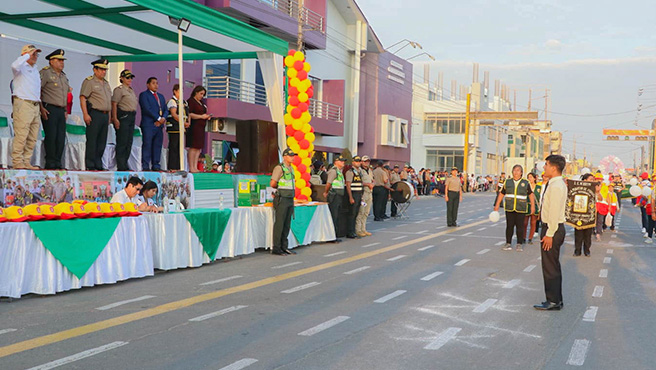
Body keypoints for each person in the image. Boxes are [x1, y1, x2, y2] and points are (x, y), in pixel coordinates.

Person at [534, 154, 567, 311]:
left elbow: (554, 212)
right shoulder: (554, 184)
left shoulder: (556, 186)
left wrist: (549, 233)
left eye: (546, 165)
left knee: (549, 266)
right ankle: (556, 299)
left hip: (552, 228)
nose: (544, 167)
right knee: (552, 264)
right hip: (551, 227)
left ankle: (553, 300)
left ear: (554, 168)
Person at [11, 44, 42, 170]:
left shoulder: (35, 69)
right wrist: (26, 56)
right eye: (33, 54)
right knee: (21, 134)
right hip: (23, 104)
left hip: (35, 105)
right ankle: (17, 161)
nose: (35, 56)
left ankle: (26, 161)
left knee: (32, 136)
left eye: (36, 54)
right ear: (25, 54)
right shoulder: (20, 67)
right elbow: (14, 65)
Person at [494, 164, 536, 252]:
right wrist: (497, 204)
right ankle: (508, 243)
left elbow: (531, 195)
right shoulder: (507, 181)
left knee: (520, 227)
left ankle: (519, 244)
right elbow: (502, 193)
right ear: (512, 172)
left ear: (521, 173)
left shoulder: (525, 182)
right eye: (514, 170)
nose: (516, 172)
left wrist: (532, 206)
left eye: (518, 170)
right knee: (509, 226)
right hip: (509, 207)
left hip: (521, 208)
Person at [80, 59, 112, 171]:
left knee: (102, 141)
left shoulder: (106, 84)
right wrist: (85, 114)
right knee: (92, 140)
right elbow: (83, 97)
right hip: (95, 113)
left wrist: (109, 116)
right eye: (101, 69)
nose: (104, 72)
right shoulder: (90, 82)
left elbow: (109, 101)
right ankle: (90, 164)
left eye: (105, 70)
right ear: (95, 69)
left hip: (105, 114)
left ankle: (98, 163)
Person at [40, 49, 69, 170]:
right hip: (49, 108)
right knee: (51, 136)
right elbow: (38, 90)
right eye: (59, 60)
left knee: (60, 137)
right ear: (51, 61)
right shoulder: (46, 73)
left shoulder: (63, 76)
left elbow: (65, 94)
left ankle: (57, 161)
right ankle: (50, 162)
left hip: (61, 110)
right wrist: (41, 108)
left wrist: (65, 109)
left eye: (63, 60)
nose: (62, 63)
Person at [270, 148, 297, 256]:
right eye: (290, 155)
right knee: (280, 223)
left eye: (293, 155)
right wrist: (280, 188)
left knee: (287, 224)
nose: (292, 157)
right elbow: (272, 183)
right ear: (284, 156)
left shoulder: (291, 168)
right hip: (282, 198)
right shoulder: (279, 168)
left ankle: (284, 246)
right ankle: (276, 247)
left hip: (290, 198)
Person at [138, 77, 168, 171]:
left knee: (157, 145)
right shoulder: (144, 95)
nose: (156, 85)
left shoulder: (161, 96)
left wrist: (163, 118)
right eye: (153, 83)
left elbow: (165, 109)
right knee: (147, 144)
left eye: (157, 83)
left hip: (159, 125)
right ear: (148, 85)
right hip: (149, 124)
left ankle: (156, 165)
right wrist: (158, 118)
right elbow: (147, 109)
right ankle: (146, 165)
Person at [111, 69, 138, 171]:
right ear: (122, 78)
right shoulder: (119, 90)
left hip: (131, 116)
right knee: (122, 141)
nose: (129, 79)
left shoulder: (131, 90)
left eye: (130, 77)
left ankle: (125, 163)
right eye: (127, 77)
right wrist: (115, 118)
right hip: (123, 116)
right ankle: (121, 165)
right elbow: (114, 104)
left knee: (128, 141)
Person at [187, 86, 211, 173]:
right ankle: (191, 166)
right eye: (201, 94)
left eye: (203, 94)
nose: (202, 96)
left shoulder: (201, 103)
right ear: (196, 92)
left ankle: (195, 166)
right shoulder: (191, 101)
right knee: (193, 147)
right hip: (194, 126)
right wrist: (201, 116)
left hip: (201, 127)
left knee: (198, 148)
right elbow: (190, 114)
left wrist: (206, 117)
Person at [166, 84, 189, 171]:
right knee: (173, 147)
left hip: (181, 128)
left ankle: (179, 166)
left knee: (180, 148)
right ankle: (172, 166)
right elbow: (174, 114)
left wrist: (187, 122)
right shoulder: (172, 101)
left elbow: (187, 113)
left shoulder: (184, 102)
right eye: (179, 91)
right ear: (175, 91)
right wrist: (182, 122)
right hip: (174, 127)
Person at [324, 156, 346, 241]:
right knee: (334, 215)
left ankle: (335, 235)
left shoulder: (339, 171)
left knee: (337, 216)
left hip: (339, 195)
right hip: (334, 195)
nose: (343, 162)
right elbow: (328, 183)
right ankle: (331, 236)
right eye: (341, 161)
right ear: (336, 162)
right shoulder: (333, 171)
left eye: (343, 161)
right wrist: (326, 192)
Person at [574, 173, 596, 256]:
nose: (592, 181)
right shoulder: (577, 188)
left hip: (589, 215)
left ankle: (587, 250)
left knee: (588, 234)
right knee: (578, 234)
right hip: (578, 214)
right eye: (590, 179)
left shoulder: (594, 188)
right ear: (585, 180)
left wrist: (597, 192)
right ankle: (577, 250)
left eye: (593, 179)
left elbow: (600, 198)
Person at [345, 156, 363, 239]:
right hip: (353, 194)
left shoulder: (359, 172)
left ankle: (353, 231)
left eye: (359, 161)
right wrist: (350, 197)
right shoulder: (350, 172)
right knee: (352, 214)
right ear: (353, 162)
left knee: (356, 213)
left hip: (359, 194)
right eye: (356, 161)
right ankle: (350, 231)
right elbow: (348, 185)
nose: (358, 162)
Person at [356, 155, 374, 237]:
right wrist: (367, 184)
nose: (367, 163)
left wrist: (372, 183)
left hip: (369, 193)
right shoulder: (359, 171)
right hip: (363, 193)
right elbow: (358, 182)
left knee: (366, 212)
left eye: (368, 161)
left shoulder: (369, 170)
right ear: (362, 162)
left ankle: (363, 229)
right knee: (361, 212)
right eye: (365, 161)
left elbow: (372, 180)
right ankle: (358, 230)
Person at [524, 173, 540, 244]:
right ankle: (523, 237)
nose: (529, 178)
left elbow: (541, 197)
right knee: (524, 223)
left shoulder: (539, 187)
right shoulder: (525, 186)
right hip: (527, 206)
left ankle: (530, 238)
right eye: (528, 177)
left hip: (535, 206)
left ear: (534, 178)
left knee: (533, 223)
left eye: (531, 177)